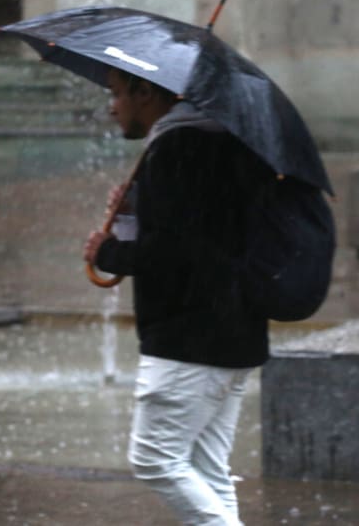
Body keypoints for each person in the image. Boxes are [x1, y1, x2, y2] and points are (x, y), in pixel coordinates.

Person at [83, 67, 271, 525]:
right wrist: (130, 216)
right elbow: (192, 236)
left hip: (189, 338)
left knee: (155, 458)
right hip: (234, 333)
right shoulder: (220, 144)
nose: (112, 106)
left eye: (117, 93)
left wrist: (109, 251)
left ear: (145, 92)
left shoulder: (175, 149)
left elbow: (173, 252)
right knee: (208, 469)